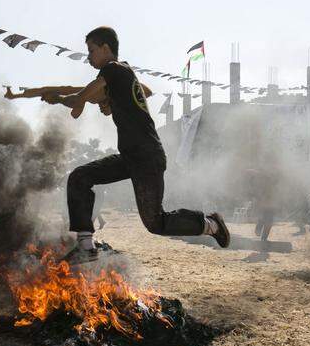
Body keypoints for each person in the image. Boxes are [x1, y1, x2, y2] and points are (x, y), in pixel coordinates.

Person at [39, 26, 230, 263]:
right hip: (130, 157)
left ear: (105, 48)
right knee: (80, 177)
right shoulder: (124, 74)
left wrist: (56, 97)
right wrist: (113, 99)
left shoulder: (114, 68)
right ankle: (86, 246)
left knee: (155, 222)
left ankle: (211, 224)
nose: (88, 57)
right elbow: (146, 91)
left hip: (147, 156)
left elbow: (80, 98)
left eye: (91, 50)